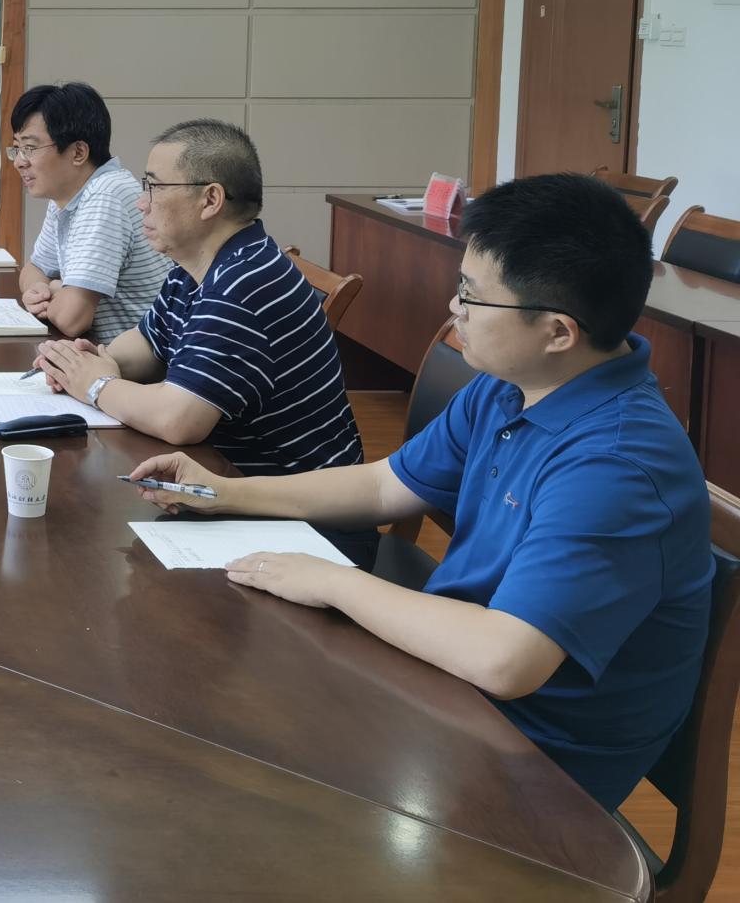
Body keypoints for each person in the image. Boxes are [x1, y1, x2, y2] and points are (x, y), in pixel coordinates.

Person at [127, 173, 713, 810]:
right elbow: (386, 485)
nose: (453, 308)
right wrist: (224, 494)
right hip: (444, 691)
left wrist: (333, 581)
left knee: (220, 766)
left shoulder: (616, 465)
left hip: (531, 771)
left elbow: (505, 659)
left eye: (472, 296)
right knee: (204, 712)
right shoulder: (515, 383)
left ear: (558, 331)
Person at [38, 118, 362, 475]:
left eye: (155, 187)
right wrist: (86, 364)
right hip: (226, 473)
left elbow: (178, 420)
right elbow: (148, 345)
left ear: (210, 200)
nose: (142, 203)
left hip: (289, 500)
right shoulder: (196, 266)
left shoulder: (243, 284)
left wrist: (96, 385)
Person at [10, 82, 167, 342]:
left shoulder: (105, 195)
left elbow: (72, 320)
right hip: (96, 351)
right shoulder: (67, 193)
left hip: (130, 359)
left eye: (30, 148)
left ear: (78, 152)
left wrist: (56, 288)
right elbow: (34, 268)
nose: (19, 162)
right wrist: (39, 290)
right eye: (17, 148)